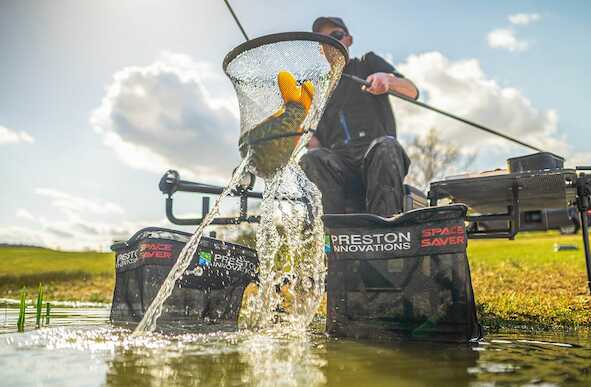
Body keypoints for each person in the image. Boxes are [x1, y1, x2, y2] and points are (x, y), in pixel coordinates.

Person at [300, 16, 419, 217]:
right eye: (323, 40)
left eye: (336, 35)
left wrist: (387, 80)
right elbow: (314, 145)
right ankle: (330, 237)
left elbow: (412, 91)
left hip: (377, 161)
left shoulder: (367, 63)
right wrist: (301, 134)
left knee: (386, 146)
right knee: (312, 158)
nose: (331, 42)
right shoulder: (317, 90)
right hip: (340, 169)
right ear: (320, 49)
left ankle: (384, 230)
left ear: (349, 39)